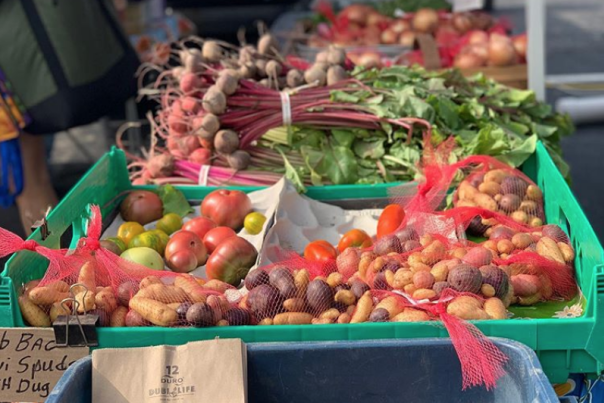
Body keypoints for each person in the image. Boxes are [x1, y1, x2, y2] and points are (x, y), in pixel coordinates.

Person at [0, 0, 140, 233]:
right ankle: (58, 261)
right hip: (32, 58)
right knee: (33, 178)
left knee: (29, 181)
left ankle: (53, 263)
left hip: (14, 70)